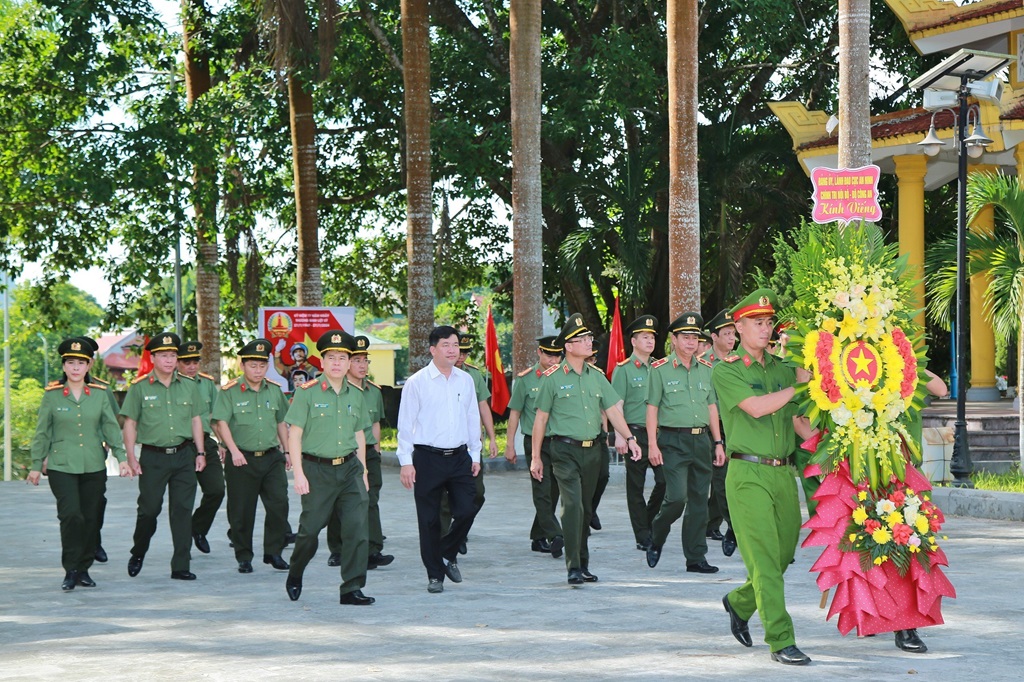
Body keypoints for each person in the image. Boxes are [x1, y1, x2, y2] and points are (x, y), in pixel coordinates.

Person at [712, 289, 814, 666]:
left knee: (782, 556)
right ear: (737, 327)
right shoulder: (728, 370)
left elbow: (800, 419)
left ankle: (739, 602)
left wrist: (833, 450)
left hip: (783, 473)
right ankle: (781, 640)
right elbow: (756, 408)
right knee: (766, 562)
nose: (766, 329)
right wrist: (797, 386)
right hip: (747, 474)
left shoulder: (784, 369)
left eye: (769, 323)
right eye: (758, 323)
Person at [530, 314, 641, 586]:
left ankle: (583, 563)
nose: (590, 342)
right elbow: (541, 419)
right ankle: (573, 566)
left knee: (585, 508)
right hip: (564, 451)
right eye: (584, 339)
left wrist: (629, 437)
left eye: (590, 338)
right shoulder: (552, 378)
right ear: (569, 346)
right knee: (572, 507)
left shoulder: (597, 376)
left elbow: (613, 410)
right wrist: (535, 457)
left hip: (593, 451)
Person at [27, 338, 132, 590]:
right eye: (70, 363)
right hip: (61, 465)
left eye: (81, 363)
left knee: (90, 517)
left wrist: (121, 457)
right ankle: (71, 569)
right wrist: (35, 464)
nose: (75, 368)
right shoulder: (52, 396)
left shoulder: (98, 395)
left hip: (93, 465)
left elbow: (109, 426)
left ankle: (84, 568)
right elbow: (42, 432)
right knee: (71, 515)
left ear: (89, 366)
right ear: (64, 366)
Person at [284, 330, 374, 605]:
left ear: (349, 363)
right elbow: (294, 434)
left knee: (357, 528)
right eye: (331, 357)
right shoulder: (306, 393)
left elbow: (359, 435)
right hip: (316, 471)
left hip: (349, 470)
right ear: (322, 362)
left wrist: (365, 471)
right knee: (310, 531)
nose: (337, 363)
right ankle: (295, 572)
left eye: (342, 358)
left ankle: (351, 588)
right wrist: (298, 474)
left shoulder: (357, 395)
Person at [397, 325, 482, 594]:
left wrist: (475, 452)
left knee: (469, 507)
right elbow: (405, 424)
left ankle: (447, 552)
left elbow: (472, 417)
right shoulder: (417, 382)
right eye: (446, 345)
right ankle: (435, 575)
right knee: (429, 520)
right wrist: (405, 462)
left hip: (459, 457)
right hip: (427, 458)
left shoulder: (465, 380)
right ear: (433, 349)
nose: (452, 350)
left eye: (455, 345)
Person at [121, 332, 207, 581]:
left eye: (173, 356)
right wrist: (130, 456)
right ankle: (138, 551)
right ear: (154, 357)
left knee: (182, 510)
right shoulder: (139, 388)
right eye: (164, 356)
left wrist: (200, 452)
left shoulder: (189, 386)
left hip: (183, 456)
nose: (169, 360)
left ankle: (181, 564)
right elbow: (130, 423)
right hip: (153, 457)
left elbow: (195, 420)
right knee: (149, 510)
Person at [644, 313, 725, 573]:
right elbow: (652, 409)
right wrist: (652, 445)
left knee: (700, 500)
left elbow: (711, 407)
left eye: (694, 338)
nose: (691, 343)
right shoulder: (660, 370)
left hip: (701, 440)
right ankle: (657, 534)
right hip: (672, 440)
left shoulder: (707, 370)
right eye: (685, 337)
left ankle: (695, 557)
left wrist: (718, 442)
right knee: (677, 498)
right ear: (674, 339)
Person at [211, 339, 291, 574]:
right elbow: (221, 422)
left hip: (271, 457)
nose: (258, 371)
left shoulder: (274, 390)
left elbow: (281, 422)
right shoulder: (230, 392)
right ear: (243, 365)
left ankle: (273, 552)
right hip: (242, 459)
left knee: (279, 504)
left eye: (262, 366)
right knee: (241, 511)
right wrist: (233, 451)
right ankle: (244, 555)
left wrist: (286, 451)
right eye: (253, 366)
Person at [327, 335, 394, 570]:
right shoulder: (332, 389)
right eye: (357, 360)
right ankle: (337, 549)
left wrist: (376, 447)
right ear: (346, 364)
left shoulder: (373, 391)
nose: (363, 366)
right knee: (338, 502)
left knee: (370, 500)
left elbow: (375, 422)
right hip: (342, 453)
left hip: (368, 453)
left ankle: (373, 549)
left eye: (366, 361)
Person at [505, 335, 564, 557]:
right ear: (539, 353)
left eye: (557, 355)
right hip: (534, 442)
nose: (553, 359)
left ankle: (538, 536)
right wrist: (510, 444)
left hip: (558, 440)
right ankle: (555, 534)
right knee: (542, 489)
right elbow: (515, 412)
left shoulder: (564, 376)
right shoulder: (526, 379)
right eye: (549, 354)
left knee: (554, 489)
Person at [438, 334, 497, 557]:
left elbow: (483, 407)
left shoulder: (473, 375)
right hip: (443, 446)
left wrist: (491, 437)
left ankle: (457, 530)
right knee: (444, 498)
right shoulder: (433, 375)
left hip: (469, 446)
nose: (461, 356)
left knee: (476, 493)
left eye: (465, 352)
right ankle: (447, 542)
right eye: (457, 350)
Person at [611, 315, 664, 552]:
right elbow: (616, 405)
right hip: (633, 433)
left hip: (658, 435)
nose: (650, 341)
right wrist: (620, 435)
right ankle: (642, 535)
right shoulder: (623, 370)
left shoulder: (660, 367)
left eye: (652, 337)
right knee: (635, 486)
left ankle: (647, 520)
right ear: (634, 341)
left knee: (665, 482)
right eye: (645, 337)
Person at [73, 335, 122, 564]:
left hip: (94, 453)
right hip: (67, 456)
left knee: (96, 501)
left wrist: (117, 451)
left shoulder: (101, 388)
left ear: (90, 363)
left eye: (86, 360)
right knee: (74, 506)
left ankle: (94, 541)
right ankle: (79, 549)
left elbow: (113, 420)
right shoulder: (57, 389)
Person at [176, 341, 226, 556]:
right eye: (187, 362)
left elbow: (217, 417)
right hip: (181, 445)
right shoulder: (171, 384)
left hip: (205, 442)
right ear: (178, 363)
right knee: (183, 498)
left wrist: (222, 442)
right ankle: (182, 548)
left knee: (216, 490)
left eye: (195, 361)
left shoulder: (206, 384)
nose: (192, 366)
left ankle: (197, 529)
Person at [702, 310, 738, 557]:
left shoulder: (739, 361)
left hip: (738, 425)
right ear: (713, 336)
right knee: (721, 477)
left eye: (733, 334)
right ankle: (733, 528)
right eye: (726, 334)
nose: (731, 338)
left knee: (725, 478)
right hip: (714, 428)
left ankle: (710, 523)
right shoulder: (704, 364)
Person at [585, 346, 610, 531]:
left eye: (592, 359)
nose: (590, 363)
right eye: (588, 360)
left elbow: (606, 409)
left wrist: (607, 434)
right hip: (576, 436)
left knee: (602, 475)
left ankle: (591, 509)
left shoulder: (598, 377)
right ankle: (583, 517)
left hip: (598, 434)